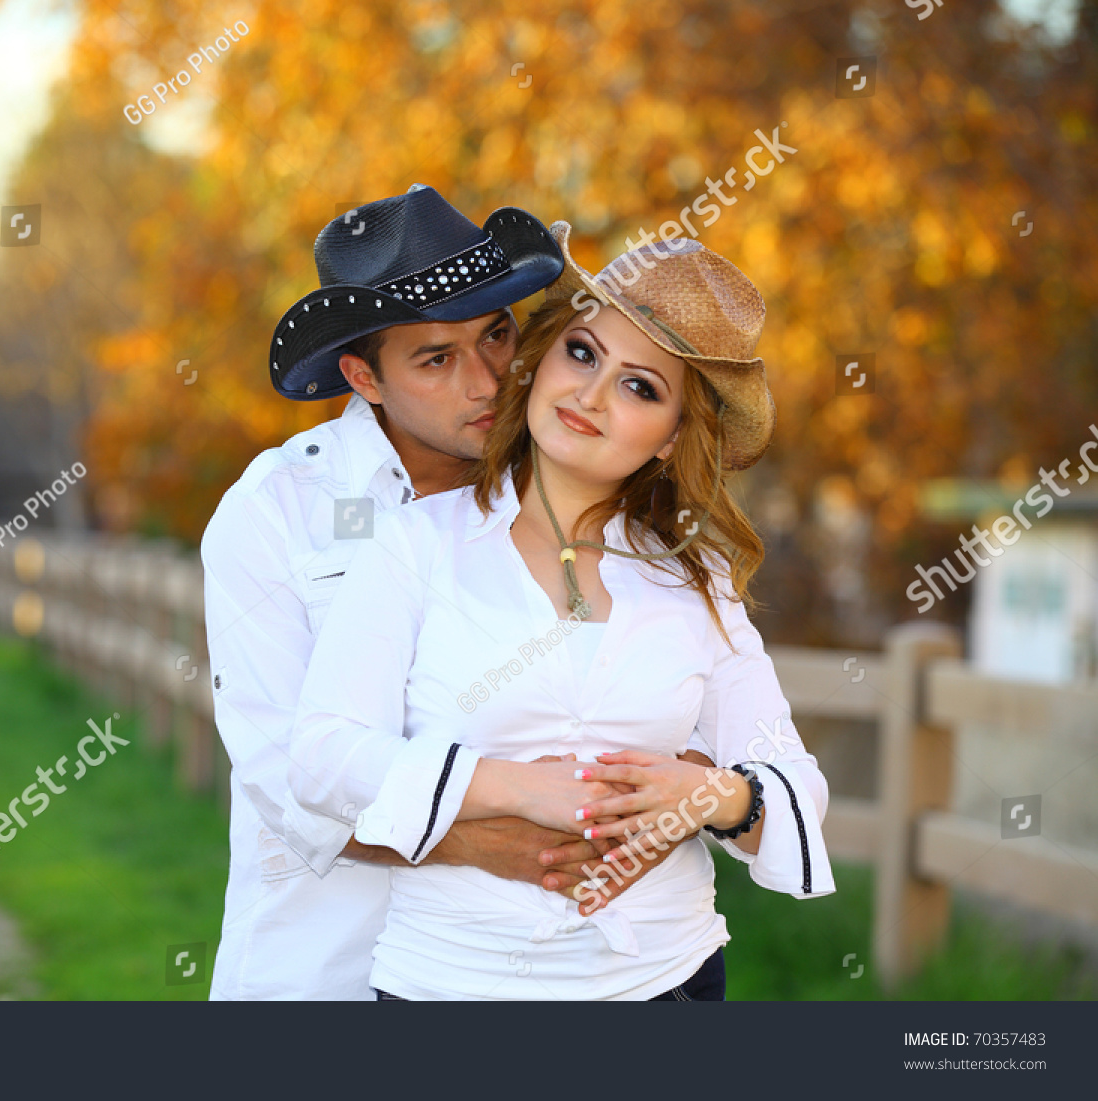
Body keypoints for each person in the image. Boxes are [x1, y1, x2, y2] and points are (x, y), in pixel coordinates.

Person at [289, 226, 836, 1000]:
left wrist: (705, 797)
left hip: (666, 981)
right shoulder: (413, 546)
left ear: (672, 435)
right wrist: (510, 786)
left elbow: (795, 778)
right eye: (582, 352)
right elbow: (323, 755)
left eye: (639, 386)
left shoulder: (695, 580)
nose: (590, 394)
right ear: (542, 359)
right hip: (450, 989)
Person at [201, 187, 700, 1000]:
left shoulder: (575, 486)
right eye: (437, 358)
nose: (489, 380)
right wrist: (483, 841)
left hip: (535, 975)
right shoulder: (276, 512)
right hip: (323, 969)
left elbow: (687, 698)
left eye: (497, 336)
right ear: (364, 375)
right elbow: (289, 775)